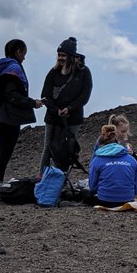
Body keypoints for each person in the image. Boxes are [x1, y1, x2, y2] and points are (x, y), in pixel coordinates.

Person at [0, 39, 43, 195]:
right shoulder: (14, 68)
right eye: (24, 53)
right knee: (5, 152)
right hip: (9, 117)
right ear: (18, 51)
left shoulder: (1, 67)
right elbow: (12, 94)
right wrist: (32, 102)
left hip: (0, 114)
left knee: (3, 152)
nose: (24, 57)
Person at [39, 37, 93, 172]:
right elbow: (45, 95)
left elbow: (85, 96)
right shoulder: (53, 72)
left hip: (73, 118)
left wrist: (70, 108)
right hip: (53, 117)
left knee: (66, 149)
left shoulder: (83, 72)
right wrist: (55, 109)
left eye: (63, 55)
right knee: (48, 148)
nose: (60, 58)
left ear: (71, 56)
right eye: (59, 55)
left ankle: (59, 180)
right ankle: (42, 178)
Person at [86, 124, 137, 206]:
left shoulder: (97, 160)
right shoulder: (131, 159)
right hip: (128, 200)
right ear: (118, 142)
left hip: (104, 200)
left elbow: (92, 186)